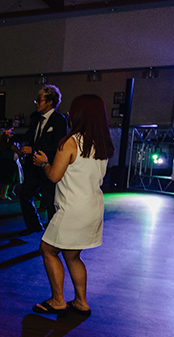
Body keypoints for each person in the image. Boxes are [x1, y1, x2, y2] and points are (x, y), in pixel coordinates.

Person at [30, 94, 115, 316]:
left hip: (72, 209)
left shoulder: (70, 142)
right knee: (72, 255)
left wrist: (44, 163)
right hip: (92, 207)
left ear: (78, 114)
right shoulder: (101, 143)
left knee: (47, 250)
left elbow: (54, 176)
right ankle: (81, 302)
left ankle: (58, 301)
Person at [17, 84, 69, 234]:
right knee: (25, 197)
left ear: (50, 102)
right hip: (33, 167)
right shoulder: (37, 119)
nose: (36, 103)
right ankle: (34, 226)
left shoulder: (60, 120)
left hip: (49, 167)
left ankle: (54, 233)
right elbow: (28, 136)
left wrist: (32, 149)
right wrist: (12, 136)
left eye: (39, 100)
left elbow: (57, 144)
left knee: (51, 202)